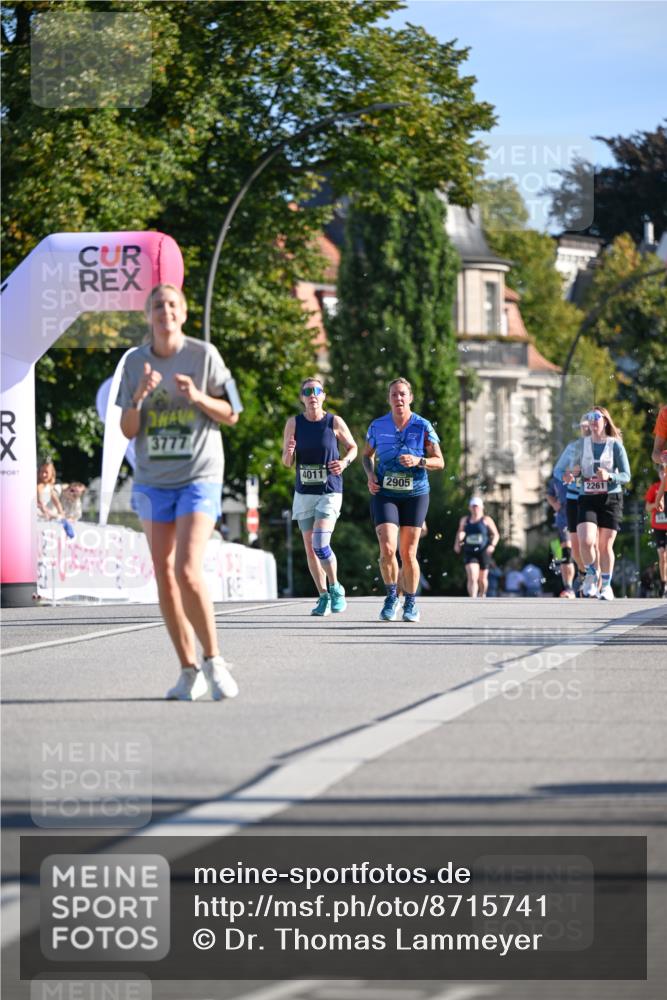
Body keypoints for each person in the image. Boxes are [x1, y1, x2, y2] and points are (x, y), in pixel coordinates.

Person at [118, 283, 240, 701]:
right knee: (164, 575)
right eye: (157, 306)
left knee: (188, 568)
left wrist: (198, 396)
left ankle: (214, 660)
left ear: (183, 313)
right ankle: (188, 670)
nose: (164, 311)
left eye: (172, 305)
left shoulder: (204, 355)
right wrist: (138, 398)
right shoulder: (135, 363)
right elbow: (127, 430)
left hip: (199, 475)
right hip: (153, 481)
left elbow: (233, 413)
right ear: (149, 316)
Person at [362, 377, 444, 623]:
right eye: (394, 395)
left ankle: (410, 602)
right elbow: (367, 456)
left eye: (402, 394)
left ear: (410, 398)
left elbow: (440, 461)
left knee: (408, 553)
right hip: (385, 493)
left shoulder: (423, 426)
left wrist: (419, 461)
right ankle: (390, 597)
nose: (398, 398)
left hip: (415, 494)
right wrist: (370, 475)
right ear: (389, 399)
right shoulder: (378, 426)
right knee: (387, 548)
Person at [281, 376, 357, 616]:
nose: (312, 394)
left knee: (320, 543)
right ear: (302, 398)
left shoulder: (334, 421)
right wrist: (289, 453)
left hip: (329, 490)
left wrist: (344, 463)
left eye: (317, 390)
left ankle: (335, 587)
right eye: (307, 391)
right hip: (304, 492)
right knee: (309, 548)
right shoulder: (293, 424)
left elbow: (353, 447)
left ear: (323, 395)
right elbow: (286, 462)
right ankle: (323, 595)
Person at [563, 405, 631, 601]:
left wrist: (609, 476)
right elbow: (575, 474)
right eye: (589, 417)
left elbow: (626, 475)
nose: (592, 420)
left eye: (596, 417)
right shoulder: (580, 445)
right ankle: (592, 573)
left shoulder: (615, 445)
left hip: (611, 498)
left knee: (605, 546)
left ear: (605, 421)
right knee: (586, 541)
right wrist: (571, 476)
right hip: (587, 497)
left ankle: (607, 586)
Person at [553, 416, 593, 592]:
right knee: (575, 550)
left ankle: (598, 580)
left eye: (588, 426)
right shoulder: (573, 448)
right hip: (574, 498)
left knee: (592, 541)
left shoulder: (605, 446)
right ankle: (584, 576)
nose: (585, 430)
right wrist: (567, 475)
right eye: (582, 427)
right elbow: (557, 471)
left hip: (594, 497)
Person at [453, 496, 500, 598]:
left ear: (481, 507)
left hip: (483, 551)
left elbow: (496, 535)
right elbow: (460, 532)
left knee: (482, 579)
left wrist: (492, 545)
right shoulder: (465, 520)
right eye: (473, 506)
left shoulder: (486, 520)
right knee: (472, 576)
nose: (475, 509)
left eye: (477, 506)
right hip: (469, 551)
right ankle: (473, 598)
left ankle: (482, 594)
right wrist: (457, 543)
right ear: (470, 508)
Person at [546, 476, 576, 597]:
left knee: (585, 551)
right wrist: (554, 503)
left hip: (581, 517)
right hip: (563, 520)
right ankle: (569, 588)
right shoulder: (557, 477)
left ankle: (592, 585)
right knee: (566, 554)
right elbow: (549, 494)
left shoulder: (582, 472)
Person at [645, 460, 667, 598]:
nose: (663, 474)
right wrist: (656, 503)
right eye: (661, 472)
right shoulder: (654, 488)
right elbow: (647, 507)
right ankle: (664, 584)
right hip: (658, 526)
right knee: (662, 555)